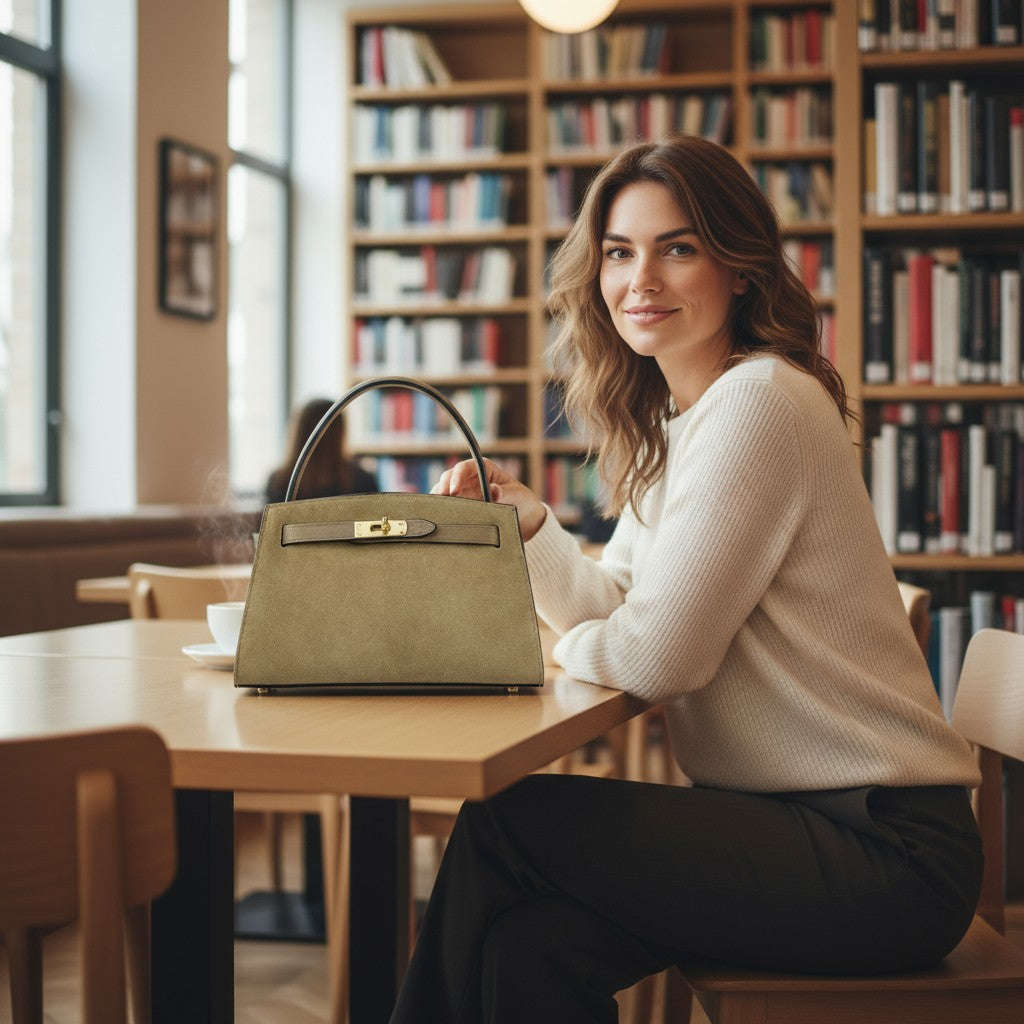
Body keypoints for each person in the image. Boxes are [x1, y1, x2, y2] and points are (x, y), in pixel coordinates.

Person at [389, 134, 983, 1023]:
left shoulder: (760, 402)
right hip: (794, 827)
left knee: (502, 823)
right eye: (620, 253)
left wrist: (570, 655)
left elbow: (659, 657)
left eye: (679, 248)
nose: (642, 280)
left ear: (739, 268)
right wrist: (535, 527)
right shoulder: (685, 422)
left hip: (884, 852)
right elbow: (614, 612)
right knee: (529, 948)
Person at [264, 397, 378, 503]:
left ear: (298, 434)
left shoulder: (279, 481)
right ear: (340, 433)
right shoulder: (361, 480)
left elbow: (270, 524)